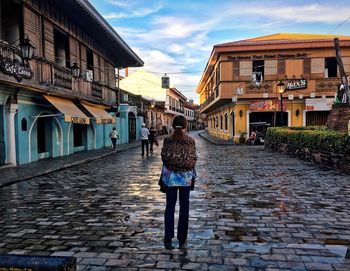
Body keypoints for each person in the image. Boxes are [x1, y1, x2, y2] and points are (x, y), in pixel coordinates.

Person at [160, 115, 197, 250]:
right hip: (185, 179)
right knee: (184, 208)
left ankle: (168, 238)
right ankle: (182, 239)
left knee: (169, 207)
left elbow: (163, 158)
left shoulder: (167, 140)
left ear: (173, 125)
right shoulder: (190, 141)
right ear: (186, 126)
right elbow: (193, 159)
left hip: (170, 179)